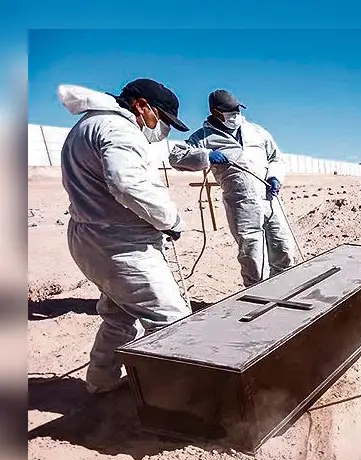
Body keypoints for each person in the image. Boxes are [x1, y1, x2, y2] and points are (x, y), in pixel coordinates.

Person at [58, 79, 191, 394]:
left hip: (94, 238)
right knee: (173, 319)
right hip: (119, 246)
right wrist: (169, 219)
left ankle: (101, 382)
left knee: (119, 316)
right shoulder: (119, 130)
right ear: (142, 106)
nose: (163, 129)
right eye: (163, 119)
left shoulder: (89, 125)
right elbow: (127, 185)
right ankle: (169, 399)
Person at [169, 89, 294, 287]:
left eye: (237, 110)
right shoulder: (204, 137)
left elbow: (275, 158)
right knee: (252, 252)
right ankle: (257, 293)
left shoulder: (257, 131)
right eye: (229, 111)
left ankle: (287, 288)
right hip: (241, 204)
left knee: (283, 246)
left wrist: (275, 177)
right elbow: (176, 157)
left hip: (270, 198)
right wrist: (206, 155)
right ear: (216, 112)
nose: (235, 115)